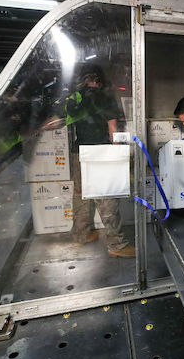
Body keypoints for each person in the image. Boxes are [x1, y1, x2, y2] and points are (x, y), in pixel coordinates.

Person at [45, 69, 135, 258]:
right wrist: (118, 154)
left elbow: (55, 121)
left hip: (79, 153)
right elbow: (113, 130)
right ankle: (116, 245)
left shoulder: (74, 98)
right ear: (98, 81)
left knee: (80, 195)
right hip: (99, 153)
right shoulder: (105, 97)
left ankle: (81, 235)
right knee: (107, 199)